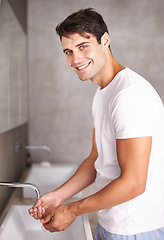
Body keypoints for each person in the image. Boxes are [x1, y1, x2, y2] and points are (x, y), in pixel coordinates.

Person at [29, 8, 164, 239]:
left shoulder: (129, 95)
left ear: (105, 40)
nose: (75, 59)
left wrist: (71, 210)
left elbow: (134, 183)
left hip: (135, 229)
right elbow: (95, 159)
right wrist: (59, 196)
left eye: (83, 47)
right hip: (111, 223)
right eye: (68, 51)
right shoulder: (104, 93)